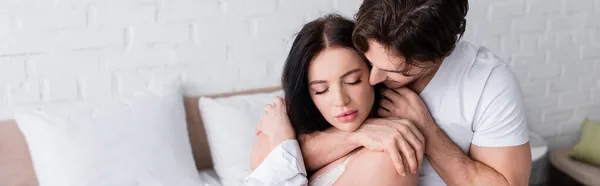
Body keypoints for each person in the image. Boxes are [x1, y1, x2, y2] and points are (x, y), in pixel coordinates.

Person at [300, 0, 533, 185]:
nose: (373, 78)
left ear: (442, 55)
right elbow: (289, 153)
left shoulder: (488, 84)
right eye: (369, 63)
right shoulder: (354, 45)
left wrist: (427, 133)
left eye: (395, 70)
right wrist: (359, 134)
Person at [245, 14, 424, 186]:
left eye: (352, 81)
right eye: (321, 90)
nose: (340, 101)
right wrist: (356, 135)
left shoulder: (390, 157)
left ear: (373, 73)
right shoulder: (280, 125)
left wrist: (282, 140)